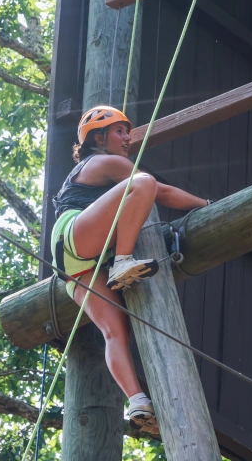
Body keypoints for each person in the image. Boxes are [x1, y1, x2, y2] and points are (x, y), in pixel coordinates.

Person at [50, 105, 210, 434]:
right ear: (98, 138)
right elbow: (157, 191)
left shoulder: (91, 168)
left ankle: (136, 400)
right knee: (144, 182)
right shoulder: (104, 162)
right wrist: (206, 205)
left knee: (114, 331)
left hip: (72, 263)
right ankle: (122, 260)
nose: (127, 138)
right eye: (119, 131)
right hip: (76, 235)